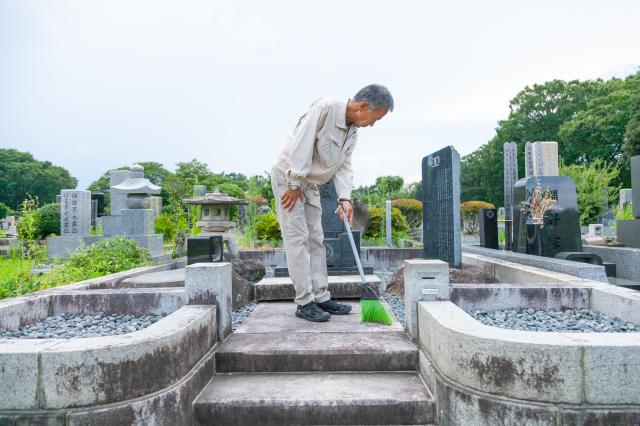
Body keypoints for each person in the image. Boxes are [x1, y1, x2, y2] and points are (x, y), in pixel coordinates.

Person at [271, 84, 394, 322]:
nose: (372, 124)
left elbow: (344, 166)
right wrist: (294, 183)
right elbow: (301, 143)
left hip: (310, 183)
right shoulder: (325, 108)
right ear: (363, 106)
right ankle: (304, 302)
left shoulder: (352, 131)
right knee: (298, 239)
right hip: (290, 177)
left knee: (317, 238)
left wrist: (345, 198)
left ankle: (321, 296)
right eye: (374, 118)